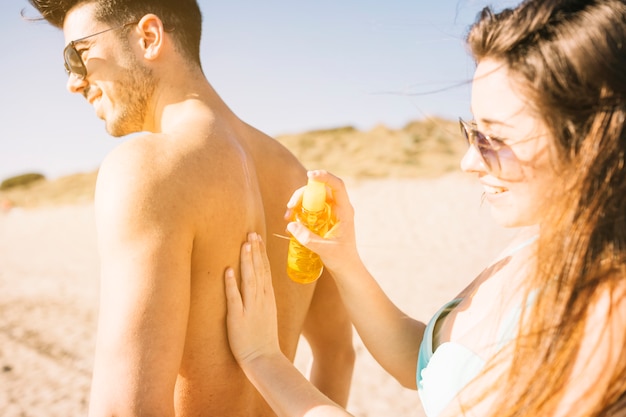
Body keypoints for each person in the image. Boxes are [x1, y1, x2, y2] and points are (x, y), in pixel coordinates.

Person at [224, 0, 626, 416]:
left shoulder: (606, 315)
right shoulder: (536, 244)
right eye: (472, 130)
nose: (469, 162)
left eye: (497, 139)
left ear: (595, 139)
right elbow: (422, 361)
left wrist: (263, 359)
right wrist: (344, 259)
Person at [25, 0, 355, 416]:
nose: (75, 82)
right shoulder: (296, 175)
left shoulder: (147, 169)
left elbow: (125, 409)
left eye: (78, 56)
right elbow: (338, 354)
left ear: (148, 37)